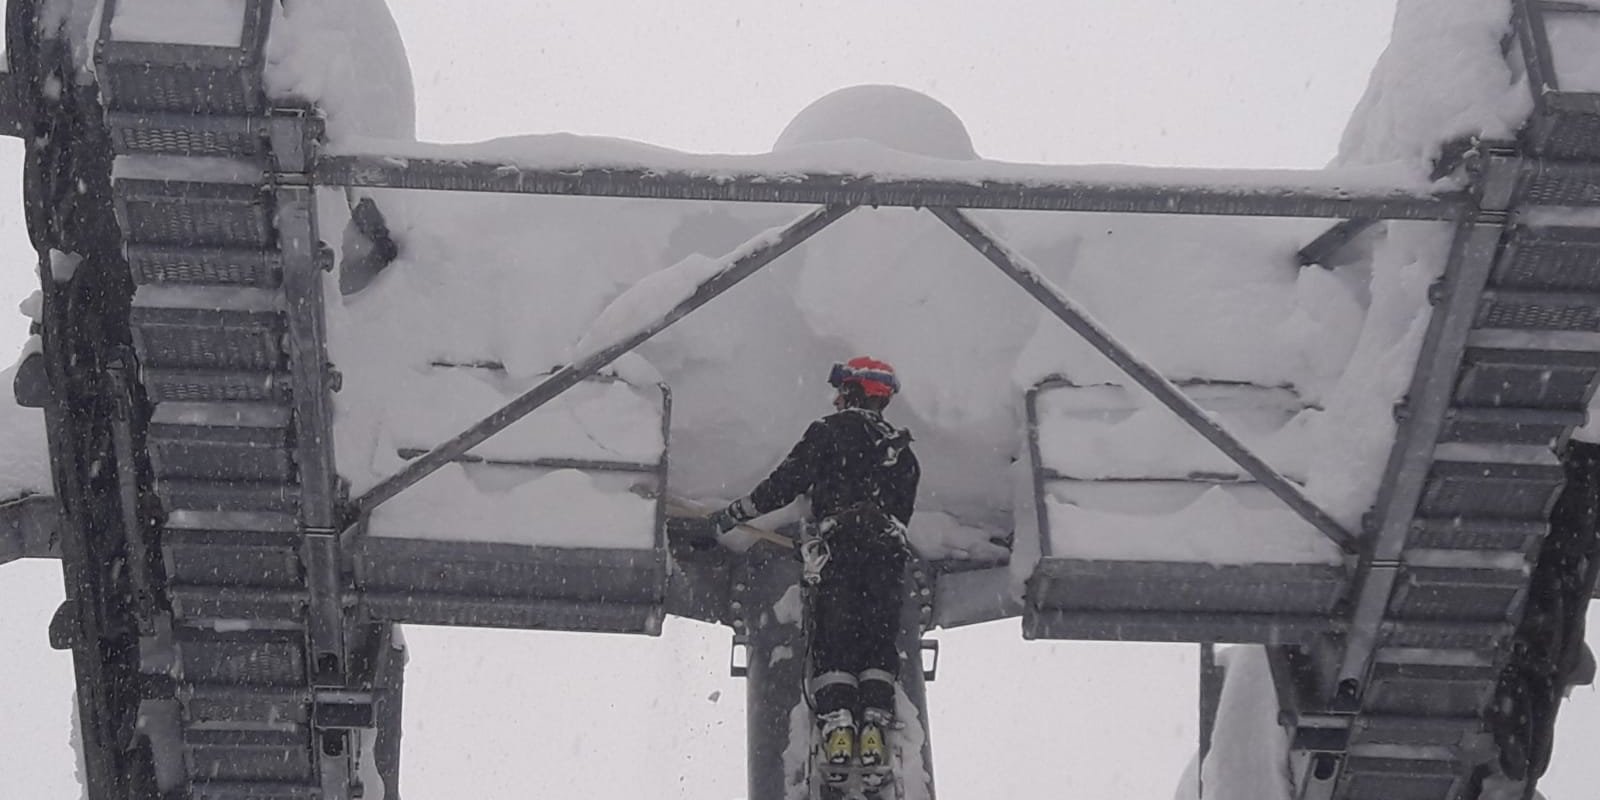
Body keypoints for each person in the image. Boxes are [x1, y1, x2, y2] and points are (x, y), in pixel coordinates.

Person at [708, 356, 921, 769]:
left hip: (838, 550)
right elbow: (901, 517)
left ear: (855, 392)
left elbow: (786, 483)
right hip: (886, 556)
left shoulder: (829, 432)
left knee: (834, 636)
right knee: (877, 637)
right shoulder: (904, 454)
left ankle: (839, 724)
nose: (838, 398)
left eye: (844, 390)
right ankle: (875, 721)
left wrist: (737, 512)